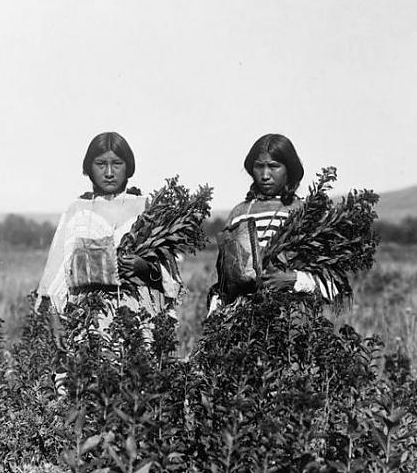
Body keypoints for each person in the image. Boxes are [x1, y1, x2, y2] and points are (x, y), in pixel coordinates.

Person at [36, 132, 181, 328]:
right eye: (101, 164)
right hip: (86, 317)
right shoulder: (78, 211)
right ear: (89, 167)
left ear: (128, 166)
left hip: (138, 315)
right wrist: (55, 321)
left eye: (117, 163)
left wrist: (144, 267)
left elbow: (169, 273)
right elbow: (56, 274)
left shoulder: (147, 208)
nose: (109, 172)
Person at [208, 134, 337, 311]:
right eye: (259, 167)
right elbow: (223, 281)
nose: (265, 175)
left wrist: (292, 279)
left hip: (292, 318)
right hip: (242, 321)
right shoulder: (239, 214)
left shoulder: (304, 213)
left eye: (274, 166)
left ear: (289, 169)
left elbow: (331, 286)